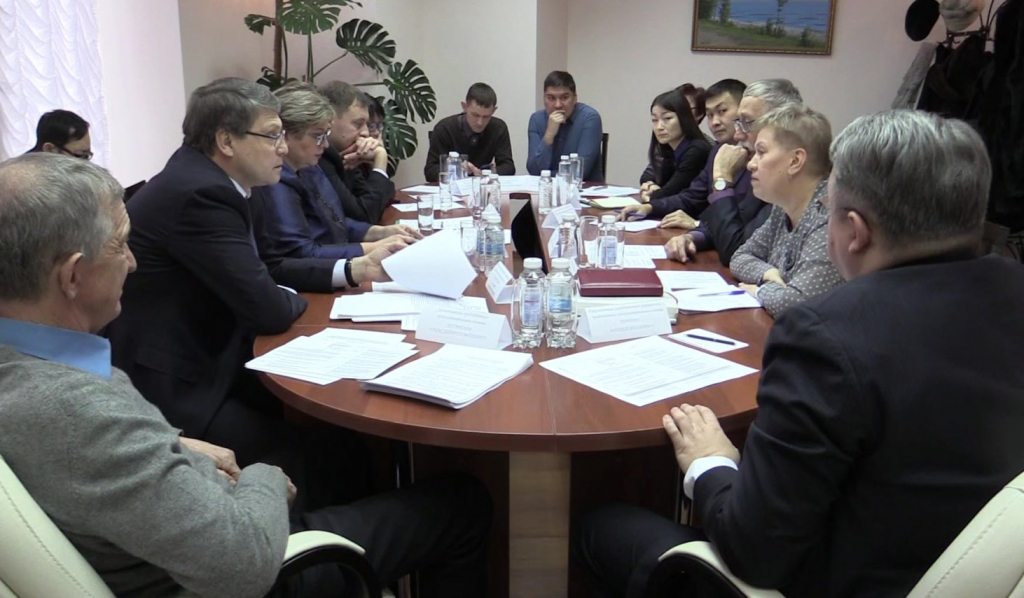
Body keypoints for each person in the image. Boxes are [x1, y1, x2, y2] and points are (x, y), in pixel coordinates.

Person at [575, 109, 1024, 598]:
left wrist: (711, 462)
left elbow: (753, 551)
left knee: (600, 527)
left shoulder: (826, 336)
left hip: (840, 579)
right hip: (981, 569)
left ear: (854, 232)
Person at [0, 153, 491, 598]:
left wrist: (178, 445)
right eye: (122, 246)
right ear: (72, 276)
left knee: (335, 458)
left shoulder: (27, 367)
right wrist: (265, 477)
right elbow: (243, 565)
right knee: (462, 504)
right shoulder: (78, 413)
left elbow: (98, 457)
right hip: (230, 570)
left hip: (178, 530)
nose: (132, 262)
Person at [106, 78, 403, 478]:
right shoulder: (202, 194)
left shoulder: (219, 179)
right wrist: (284, 292)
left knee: (341, 425)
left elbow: (271, 265)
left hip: (214, 353)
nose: (282, 147)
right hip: (181, 386)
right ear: (226, 141)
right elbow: (268, 306)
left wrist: (354, 269)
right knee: (335, 455)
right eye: (273, 135)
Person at [622, 79, 803, 266]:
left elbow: (736, 248)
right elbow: (715, 214)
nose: (738, 134)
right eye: (709, 115)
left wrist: (721, 180)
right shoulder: (724, 152)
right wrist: (694, 235)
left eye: (746, 122)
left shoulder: (789, 183)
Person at [258, 82, 418, 262]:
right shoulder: (275, 180)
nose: (325, 144)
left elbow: (333, 222)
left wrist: (379, 232)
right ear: (285, 135)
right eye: (318, 136)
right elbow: (300, 252)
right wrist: (375, 247)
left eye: (325, 135)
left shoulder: (310, 167)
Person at [729, 104, 843, 317]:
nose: (751, 164)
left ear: (795, 161)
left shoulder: (830, 217)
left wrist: (759, 291)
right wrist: (767, 273)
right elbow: (740, 256)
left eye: (761, 152)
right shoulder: (783, 208)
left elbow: (796, 303)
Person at [318, 81, 395, 224]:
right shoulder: (319, 159)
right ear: (329, 121)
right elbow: (364, 216)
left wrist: (373, 163)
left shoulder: (347, 155)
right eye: (358, 124)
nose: (366, 132)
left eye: (366, 125)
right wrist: (380, 158)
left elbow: (376, 205)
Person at [424, 82, 515, 181]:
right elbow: (430, 171)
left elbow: (509, 167)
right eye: (475, 115)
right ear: (464, 107)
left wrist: (487, 172)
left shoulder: (498, 128)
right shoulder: (445, 128)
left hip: (483, 184)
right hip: (454, 186)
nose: (480, 122)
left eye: (486, 117)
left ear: (494, 111)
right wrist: (456, 169)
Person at [527, 70, 604, 181]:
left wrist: (546, 175)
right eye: (551, 98)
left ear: (575, 98)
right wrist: (548, 136)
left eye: (564, 98)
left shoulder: (589, 118)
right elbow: (533, 170)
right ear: (544, 98)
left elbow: (580, 173)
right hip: (547, 189)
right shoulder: (536, 120)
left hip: (584, 189)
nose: (558, 105)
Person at [638, 89, 712, 202]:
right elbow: (653, 178)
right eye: (654, 120)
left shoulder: (697, 150)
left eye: (667, 118)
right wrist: (650, 185)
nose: (659, 127)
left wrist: (651, 195)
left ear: (684, 118)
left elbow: (670, 193)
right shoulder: (669, 147)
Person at [27, 109, 93, 160]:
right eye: (79, 155)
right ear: (49, 150)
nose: (87, 164)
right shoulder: (25, 172)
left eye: (87, 155)